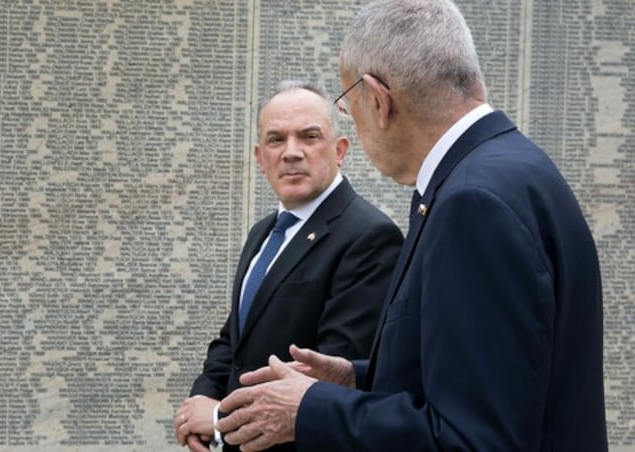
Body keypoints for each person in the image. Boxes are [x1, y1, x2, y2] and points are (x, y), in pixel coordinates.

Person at [216, 1, 608, 451]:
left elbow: (474, 440)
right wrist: (355, 378)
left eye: (348, 107)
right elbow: (485, 379)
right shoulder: (512, 168)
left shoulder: (473, 204)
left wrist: (310, 409)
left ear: (379, 100)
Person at [173, 80, 403, 451]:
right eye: (276, 140)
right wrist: (199, 400)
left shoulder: (370, 238)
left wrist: (218, 420)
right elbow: (235, 339)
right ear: (260, 157)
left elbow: (331, 381)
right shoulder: (263, 233)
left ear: (340, 150)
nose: (291, 153)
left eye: (309, 136)